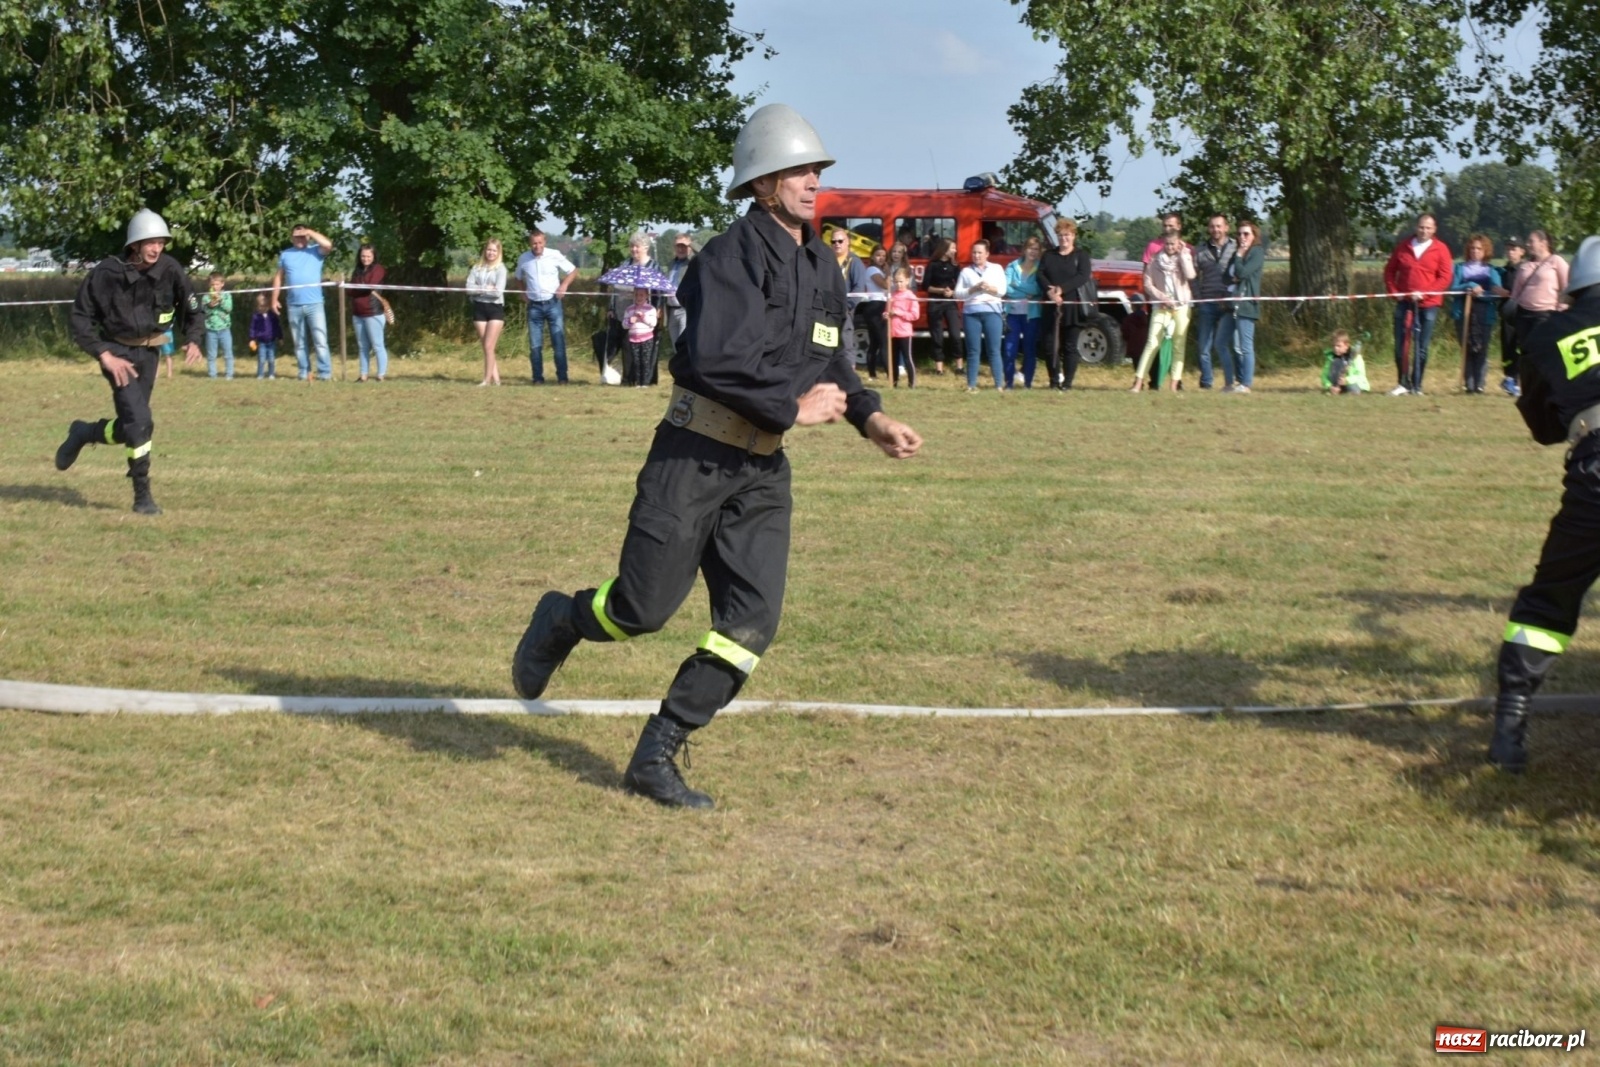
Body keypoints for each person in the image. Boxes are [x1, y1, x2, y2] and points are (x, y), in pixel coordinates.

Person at [509, 103, 922, 809]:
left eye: (815, 169)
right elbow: (714, 358)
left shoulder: (824, 264)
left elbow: (834, 364)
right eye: (795, 170)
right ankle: (564, 617)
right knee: (639, 609)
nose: (811, 180)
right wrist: (790, 407)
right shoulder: (727, 258)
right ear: (761, 185)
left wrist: (869, 415)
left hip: (763, 473)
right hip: (692, 457)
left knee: (751, 621)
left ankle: (658, 749)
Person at [1484, 235, 1600, 773]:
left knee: (1549, 602)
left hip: (1595, 480)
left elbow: (1544, 429)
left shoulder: (1552, 333)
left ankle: (1510, 723)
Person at [57, 208, 202, 514]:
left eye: (161, 242)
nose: (156, 248)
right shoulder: (106, 273)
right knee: (141, 422)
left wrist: (193, 338)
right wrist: (104, 354)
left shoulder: (170, 269)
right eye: (150, 242)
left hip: (149, 355)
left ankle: (86, 432)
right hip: (117, 355)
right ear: (134, 244)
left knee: (133, 426)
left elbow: (192, 308)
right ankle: (142, 495)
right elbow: (81, 319)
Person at [1383, 213, 1454, 395]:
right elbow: (1390, 271)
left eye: (1428, 228)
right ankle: (1402, 383)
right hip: (1405, 303)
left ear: (1434, 229)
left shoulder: (1441, 249)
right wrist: (1395, 292)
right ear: (1416, 227)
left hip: (1428, 305)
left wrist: (1425, 293)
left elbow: (1445, 276)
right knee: (1401, 345)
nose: (1424, 231)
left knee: (1421, 347)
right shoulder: (1404, 246)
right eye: (1422, 227)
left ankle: (1417, 385)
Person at [1132, 232, 1196, 392]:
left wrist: (1183, 255)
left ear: (1179, 243)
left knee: (1179, 345)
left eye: (1173, 244)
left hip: (1181, 305)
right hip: (1161, 306)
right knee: (1152, 342)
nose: (1170, 247)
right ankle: (1138, 382)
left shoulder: (1184, 255)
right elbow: (1147, 284)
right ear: (1163, 244)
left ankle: (1174, 384)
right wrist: (1162, 298)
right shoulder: (1155, 260)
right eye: (1167, 244)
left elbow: (1191, 275)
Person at [271, 223, 335, 381]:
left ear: (307, 237)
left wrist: (311, 232)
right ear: (292, 238)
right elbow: (279, 277)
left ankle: (325, 373)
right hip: (294, 305)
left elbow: (328, 245)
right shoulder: (286, 254)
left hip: (315, 304)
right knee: (299, 343)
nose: (300, 239)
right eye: (296, 236)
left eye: (303, 236)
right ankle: (304, 372)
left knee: (320, 340)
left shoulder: (316, 251)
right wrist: (274, 299)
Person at [1506, 229, 1571, 383]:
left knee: (1543, 350)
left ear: (1543, 243)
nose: (1528, 244)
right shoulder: (1525, 266)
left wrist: (1562, 307)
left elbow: (1567, 287)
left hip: (1546, 314)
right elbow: (1516, 292)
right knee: (1526, 350)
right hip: (1523, 314)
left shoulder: (1556, 261)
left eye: (1531, 241)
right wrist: (1511, 306)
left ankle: (1546, 383)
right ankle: (1528, 383)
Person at [514, 229, 577, 384]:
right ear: (530, 243)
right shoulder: (524, 258)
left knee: (558, 343)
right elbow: (518, 278)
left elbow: (573, 271)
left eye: (540, 242)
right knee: (535, 345)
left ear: (545, 242)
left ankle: (562, 378)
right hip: (534, 306)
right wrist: (523, 293)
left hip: (553, 304)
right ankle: (537, 378)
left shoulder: (554, 254)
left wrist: (564, 286)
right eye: (534, 243)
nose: (537, 246)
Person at [1037, 217, 1094, 390]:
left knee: (1070, 346)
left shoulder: (1081, 256)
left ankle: (1067, 383)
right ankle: (1054, 381)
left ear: (1073, 236)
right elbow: (1040, 274)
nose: (1064, 238)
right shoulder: (1048, 255)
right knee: (1050, 346)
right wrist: (1050, 292)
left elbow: (1082, 276)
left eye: (1067, 235)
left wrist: (1061, 289)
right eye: (1061, 235)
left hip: (1072, 307)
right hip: (1051, 306)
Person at [1449, 234, 1502, 394]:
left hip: (1484, 314)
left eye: (1479, 248)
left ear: (1485, 250)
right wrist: (1469, 286)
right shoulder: (1460, 268)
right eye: (1472, 248)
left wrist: (1481, 295)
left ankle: (1480, 384)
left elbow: (1496, 293)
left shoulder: (1491, 270)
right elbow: (1453, 289)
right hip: (1463, 313)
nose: (1475, 251)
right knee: (1467, 348)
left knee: (1481, 349)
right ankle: (1469, 384)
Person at [1191, 214, 1237, 390]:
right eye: (1212, 226)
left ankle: (1232, 381)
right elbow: (1193, 277)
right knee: (1204, 346)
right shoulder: (1200, 250)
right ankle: (1207, 382)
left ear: (1226, 227)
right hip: (1207, 303)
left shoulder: (1235, 247)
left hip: (1228, 304)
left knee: (1231, 345)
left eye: (1219, 226)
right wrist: (1198, 298)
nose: (1215, 230)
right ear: (1208, 229)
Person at [956, 240, 1007, 393]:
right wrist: (973, 289)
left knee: (994, 350)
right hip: (971, 313)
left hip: (993, 312)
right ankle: (971, 385)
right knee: (973, 350)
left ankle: (999, 385)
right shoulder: (966, 272)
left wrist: (989, 289)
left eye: (979, 252)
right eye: (974, 252)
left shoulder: (996, 269)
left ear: (987, 254)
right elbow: (958, 294)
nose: (976, 255)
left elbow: (1002, 291)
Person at [1224, 220, 1265, 393]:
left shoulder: (1257, 252)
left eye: (1246, 234)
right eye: (1239, 234)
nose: (1242, 237)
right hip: (1233, 304)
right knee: (1223, 342)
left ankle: (1246, 384)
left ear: (1254, 236)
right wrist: (1236, 273)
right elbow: (1226, 276)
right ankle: (1234, 382)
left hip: (1247, 304)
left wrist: (1240, 259)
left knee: (1245, 346)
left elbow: (1242, 272)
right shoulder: (1237, 253)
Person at [466, 238, 507, 386]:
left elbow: (497, 292)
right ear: (485, 250)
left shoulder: (501, 269)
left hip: (495, 309)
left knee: (489, 346)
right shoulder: (477, 268)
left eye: (494, 250)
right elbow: (468, 289)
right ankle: (496, 380)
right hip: (479, 309)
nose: (491, 253)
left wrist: (479, 290)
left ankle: (486, 380)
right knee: (486, 346)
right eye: (489, 249)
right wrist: (484, 289)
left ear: (498, 252)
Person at [1003, 236, 1042, 388]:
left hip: (1031, 316)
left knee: (1029, 350)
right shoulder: (1012, 266)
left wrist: (1017, 285)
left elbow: (1038, 289)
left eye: (1036, 249)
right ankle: (1009, 383)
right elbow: (1007, 288)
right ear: (1024, 249)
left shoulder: (1040, 267)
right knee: (1009, 350)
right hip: (1012, 314)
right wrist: (1026, 290)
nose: (1033, 252)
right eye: (1030, 248)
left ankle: (1028, 383)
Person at [830, 229, 872, 370]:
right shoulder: (828, 260)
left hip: (845, 310)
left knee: (846, 342)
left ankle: (849, 375)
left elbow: (859, 288)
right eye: (833, 241)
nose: (837, 244)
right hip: (827, 309)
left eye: (840, 241)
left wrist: (848, 307)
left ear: (848, 242)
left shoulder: (854, 261)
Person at [922, 237, 962, 375]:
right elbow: (925, 286)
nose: (955, 250)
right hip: (935, 303)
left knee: (956, 335)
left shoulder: (956, 266)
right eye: (953, 248)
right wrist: (940, 291)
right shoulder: (932, 265)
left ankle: (959, 366)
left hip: (950, 303)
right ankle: (939, 368)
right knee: (937, 336)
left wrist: (952, 292)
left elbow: (960, 285)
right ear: (944, 249)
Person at [348, 244, 388, 382]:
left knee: (377, 345)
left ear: (374, 256)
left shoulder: (379, 269)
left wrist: (357, 288)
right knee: (362, 346)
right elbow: (350, 291)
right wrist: (358, 288)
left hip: (373, 313)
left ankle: (380, 375)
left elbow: (370, 286)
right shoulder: (357, 270)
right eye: (363, 256)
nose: (365, 259)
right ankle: (363, 375)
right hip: (357, 314)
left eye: (368, 256)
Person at [1497, 237, 1527, 396]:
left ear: (1522, 251)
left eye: (1514, 249)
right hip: (1506, 314)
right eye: (1508, 249)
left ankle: (1520, 380)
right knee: (1507, 346)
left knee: (1521, 347)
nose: (1510, 252)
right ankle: (1509, 377)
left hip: (1522, 313)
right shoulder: (1503, 271)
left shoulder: (1526, 270)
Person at [857, 245, 890, 380]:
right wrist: (888, 273)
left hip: (881, 305)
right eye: (878, 255)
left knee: (875, 342)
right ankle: (890, 374)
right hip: (875, 306)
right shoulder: (872, 269)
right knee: (883, 341)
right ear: (872, 257)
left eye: (883, 255)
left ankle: (872, 373)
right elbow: (885, 285)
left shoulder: (879, 270)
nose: (881, 258)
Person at [621, 286, 660, 388]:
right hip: (634, 338)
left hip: (647, 338)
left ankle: (645, 382)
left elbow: (653, 323)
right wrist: (630, 321)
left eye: (642, 295)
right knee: (637, 361)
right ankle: (638, 382)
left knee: (645, 361)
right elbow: (624, 324)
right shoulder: (629, 309)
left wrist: (643, 317)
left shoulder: (651, 309)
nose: (639, 297)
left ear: (647, 296)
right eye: (637, 295)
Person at [888, 267, 919, 388]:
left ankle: (912, 383)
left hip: (905, 332)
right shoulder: (892, 295)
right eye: (896, 281)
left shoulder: (910, 296)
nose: (898, 284)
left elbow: (914, 315)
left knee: (907, 358)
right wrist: (886, 314)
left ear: (907, 280)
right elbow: (887, 311)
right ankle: (894, 382)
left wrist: (900, 313)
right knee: (894, 359)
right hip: (892, 332)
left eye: (901, 281)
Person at [202, 272, 234, 380]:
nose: (214, 287)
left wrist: (221, 300)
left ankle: (229, 374)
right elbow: (203, 312)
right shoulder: (206, 297)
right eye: (212, 285)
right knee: (211, 355)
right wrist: (210, 306)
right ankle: (212, 375)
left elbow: (229, 308)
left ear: (222, 284)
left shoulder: (226, 295)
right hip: (211, 330)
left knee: (228, 353)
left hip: (225, 329)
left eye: (216, 284)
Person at [663, 236, 695, 346]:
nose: (680, 249)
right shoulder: (671, 264)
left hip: (685, 310)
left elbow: (704, 254)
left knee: (684, 345)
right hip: (671, 310)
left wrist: (692, 244)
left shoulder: (693, 263)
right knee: (675, 345)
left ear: (689, 247)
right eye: (678, 246)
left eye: (684, 246)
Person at [1320, 330, 1369, 394]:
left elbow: (1360, 376)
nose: (1335, 348)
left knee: (1352, 388)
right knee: (1327, 392)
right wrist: (1329, 386)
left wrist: (1347, 380)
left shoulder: (1356, 357)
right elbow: (1324, 375)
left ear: (1346, 345)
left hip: (1355, 385)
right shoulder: (1331, 358)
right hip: (1337, 386)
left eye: (1338, 346)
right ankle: (1336, 390)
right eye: (1333, 346)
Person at [249, 294, 281, 379]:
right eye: (261, 306)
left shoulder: (273, 316)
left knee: (271, 359)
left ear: (269, 305)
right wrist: (252, 339)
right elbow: (253, 328)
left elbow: (277, 327)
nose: (263, 308)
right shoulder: (256, 316)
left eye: (265, 306)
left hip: (272, 341)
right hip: (261, 342)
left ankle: (271, 374)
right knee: (261, 359)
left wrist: (280, 337)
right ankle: (260, 374)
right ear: (257, 306)